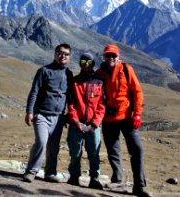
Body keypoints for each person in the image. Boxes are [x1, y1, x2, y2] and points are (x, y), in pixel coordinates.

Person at [96, 44, 153, 197]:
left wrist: (138, 114)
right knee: (112, 150)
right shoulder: (99, 74)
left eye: (114, 55)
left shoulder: (126, 70)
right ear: (104, 57)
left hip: (127, 117)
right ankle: (118, 178)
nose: (111, 58)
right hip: (108, 119)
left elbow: (137, 91)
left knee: (137, 150)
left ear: (118, 56)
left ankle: (139, 186)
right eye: (108, 55)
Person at [22, 43, 73, 183]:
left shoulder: (69, 74)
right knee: (41, 142)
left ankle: (50, 173)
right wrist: (29, 111)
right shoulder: (44, 71)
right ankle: (31, 171)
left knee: (54, 147)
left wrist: (69, 114)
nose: (63, 56)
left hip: (59, 117)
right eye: (60, 53)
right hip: (42, 115)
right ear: (55, 54)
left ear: (70, 57)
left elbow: (69, 96)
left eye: (66, 54)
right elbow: (34, 92)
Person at [66, 53, 106, 190]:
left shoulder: (99, 82)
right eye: (83, 61)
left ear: (93, 63)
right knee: (75, 151)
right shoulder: (75, 82)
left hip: (93, 125)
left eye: (89, 61)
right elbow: (70, 104)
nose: (86, 64)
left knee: (94, 153)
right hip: (76, 124)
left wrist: (94, 124)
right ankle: (74, 176)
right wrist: (76, 122)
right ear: (80, 63)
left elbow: (102, 105)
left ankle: (94, 178)